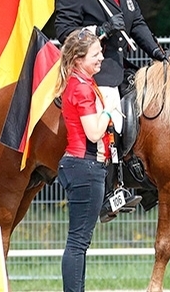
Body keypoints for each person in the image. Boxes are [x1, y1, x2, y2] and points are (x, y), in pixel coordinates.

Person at [54, 0, 167, 180]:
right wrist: (101, 29)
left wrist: (157, 53)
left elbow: (136, 21)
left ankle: (139, 168)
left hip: (119, 65)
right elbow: (65, 32)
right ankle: (109, 182)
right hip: (93, 70)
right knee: (112, 116)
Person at [55, 29, 114, 292]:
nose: (101, 58)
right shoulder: (81, 88)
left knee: (79, 241)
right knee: (78, 242)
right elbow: (93, 132)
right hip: (86, 167)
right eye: (96, 54)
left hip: (81, 167)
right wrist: (110, 110)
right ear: (78, 59)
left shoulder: (79, 83)